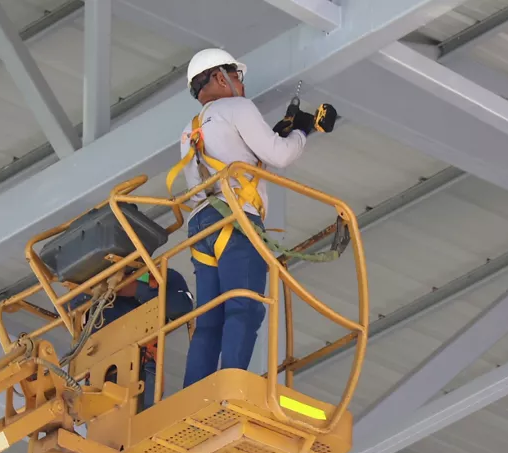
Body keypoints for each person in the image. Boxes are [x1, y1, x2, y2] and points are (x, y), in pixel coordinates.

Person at [169, 48, 337, 388]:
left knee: (210, 320)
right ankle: (231, 388)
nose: (241, 86)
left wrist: (277, 133)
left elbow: (233, 157)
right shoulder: (239, 108)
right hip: (236, 221)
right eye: (237, 77)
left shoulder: (188, 130)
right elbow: (280, 155)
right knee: (243, 308)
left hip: (202, 226)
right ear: (220, 77)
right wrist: (303, 130)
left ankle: (193, 396)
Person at [68, 268, 193, 410]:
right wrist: (94, 291)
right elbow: (69, 313)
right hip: (96, 377)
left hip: (139, 370)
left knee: (139, 424)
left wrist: (135, 289)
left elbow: (182, 306)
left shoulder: (159, 273)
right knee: (103, 429)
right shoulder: (87, 280)